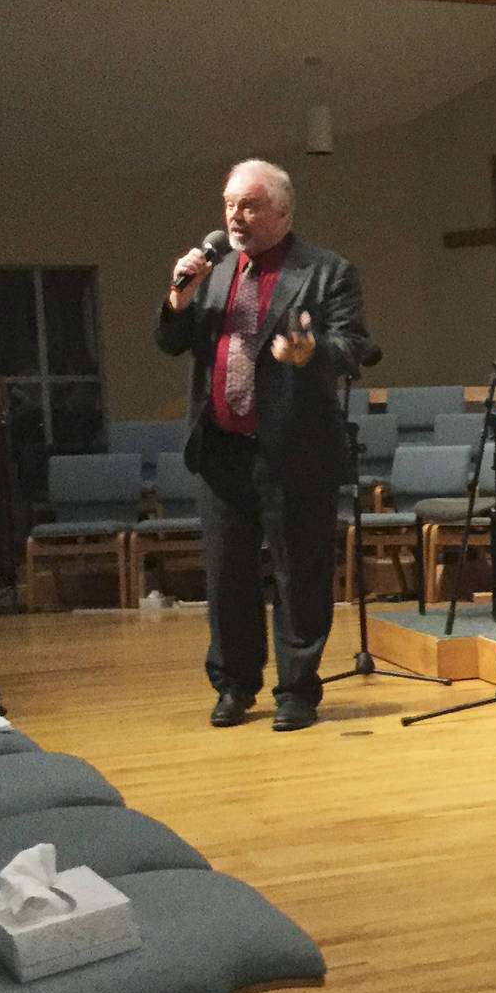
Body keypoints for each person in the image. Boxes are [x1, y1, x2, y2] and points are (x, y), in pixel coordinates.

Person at [157, 159, 371, 731]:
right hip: (222, 450)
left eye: (248, 205)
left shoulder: (326, 271)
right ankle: (234, 687)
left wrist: (313, 352)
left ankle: (297, 691)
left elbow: (354, 347)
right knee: (227, 578)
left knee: (299, 575)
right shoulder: (216, 270)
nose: (235, 215)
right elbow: (171, 343)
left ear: (281, 211)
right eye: (229, 203)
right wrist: (178, 300)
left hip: (295, 451)